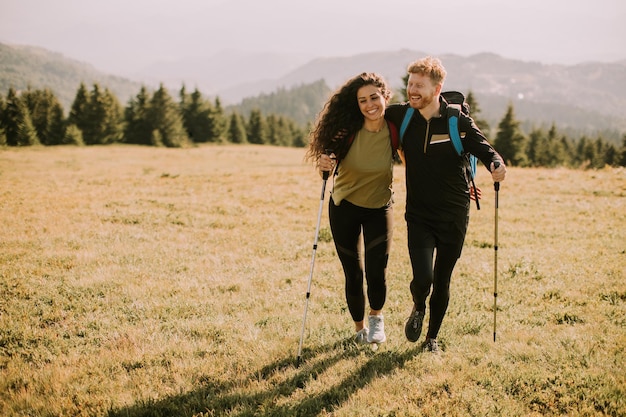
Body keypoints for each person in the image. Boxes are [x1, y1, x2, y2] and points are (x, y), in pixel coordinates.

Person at [385, 56, 507, 353]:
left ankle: (431, 339)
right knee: (423, 278)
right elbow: (366, 115)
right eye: (410, 84)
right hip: (419, 215)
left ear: (437, 88)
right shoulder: (402, 116)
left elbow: (485, 150)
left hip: (454, 215)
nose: (412, 90)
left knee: (442, 279)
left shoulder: (456, 121)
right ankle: (418, 306)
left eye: (419, 86)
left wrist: (496, 164)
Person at [306, 72, 398, 345]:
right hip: (344, 207)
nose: (370, 105)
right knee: (353, 272)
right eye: (362, 100)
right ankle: (359, 330)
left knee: (376, 271)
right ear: (356, 105)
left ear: (385, 97)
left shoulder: (394, 128)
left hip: (379, 208)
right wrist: (325, 163)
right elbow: (328, 157)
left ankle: (376, 320)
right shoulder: (347, 131)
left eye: (374, 97)